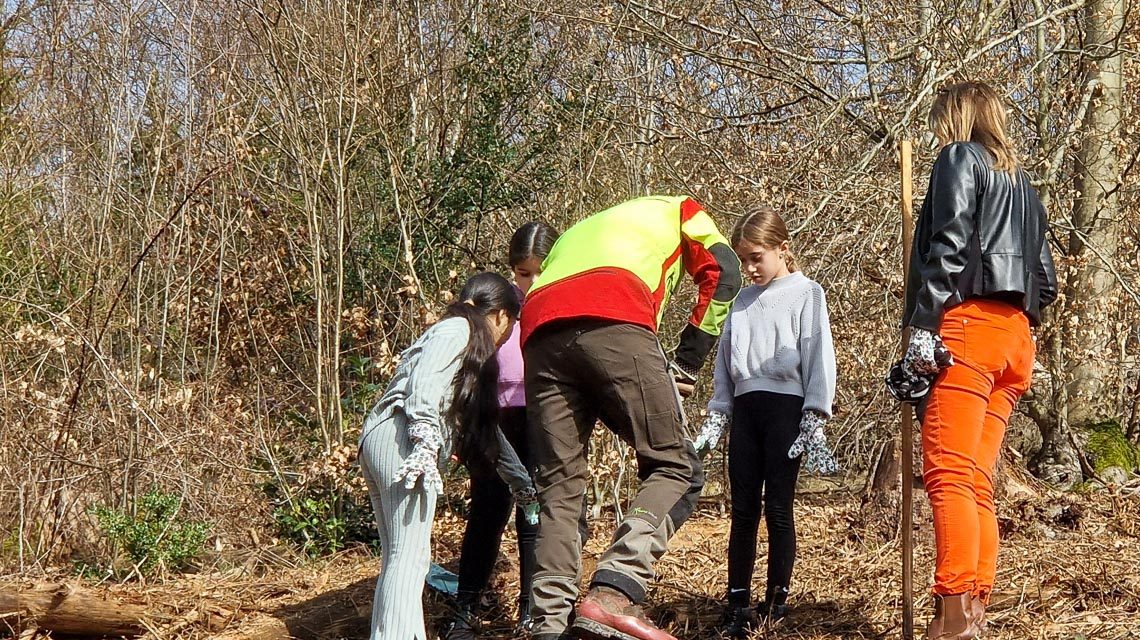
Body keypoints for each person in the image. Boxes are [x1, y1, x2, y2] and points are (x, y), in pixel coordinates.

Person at [521, 195, 742, 640]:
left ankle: (549, 626)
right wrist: (688, 361)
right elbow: (725, 274)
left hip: (539, 328)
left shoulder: (581, 228)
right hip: (615, 313)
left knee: (559, 487)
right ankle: (613, 592)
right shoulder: (682, 209)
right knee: (676, 464)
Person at [895, 81, 1057, 640]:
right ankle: (974, 608)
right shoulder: (1025, 186)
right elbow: (1047, 281)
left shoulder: (959, 158)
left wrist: (922, 326)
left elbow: (950, 243)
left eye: (942, 119)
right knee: (976, 478)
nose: (939, 132)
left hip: (965, 326)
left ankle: (953, 613)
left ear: (958, 116)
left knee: (948, 475)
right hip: (1016, 339)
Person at [358, 272, 538, 640]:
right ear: (502, 315)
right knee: (409, 560)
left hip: (386, 440)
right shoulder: (456, 330)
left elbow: (486, 431)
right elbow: (424, 385)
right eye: (512, 324)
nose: (508, 336)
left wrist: (521, 484)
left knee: (401, 558)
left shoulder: (467, 349)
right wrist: (425, 444)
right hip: (402, 439)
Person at [692, 206, 839, 636]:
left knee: (778, 507)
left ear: (782, 249)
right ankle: (736, 601)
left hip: (786, 409)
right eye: (744, 259)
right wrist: (717, 414)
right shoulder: (739, 302)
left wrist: (815, 414)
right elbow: (724, 363)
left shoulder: (806, 293)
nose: (750, 267)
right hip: (746, 409)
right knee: (741, 510)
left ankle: (776, 599)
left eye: (758, 256)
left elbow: (818, 355)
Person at [444, 222, 560, 639]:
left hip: (539, 418)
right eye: (524, 272)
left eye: (540, 270)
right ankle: (466, 609)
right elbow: (466, 372)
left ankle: (531, 612)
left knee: (533, 517)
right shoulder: (494, 305)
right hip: (491, 419)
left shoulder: (558, 305)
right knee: (486, 514)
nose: (531, 281)